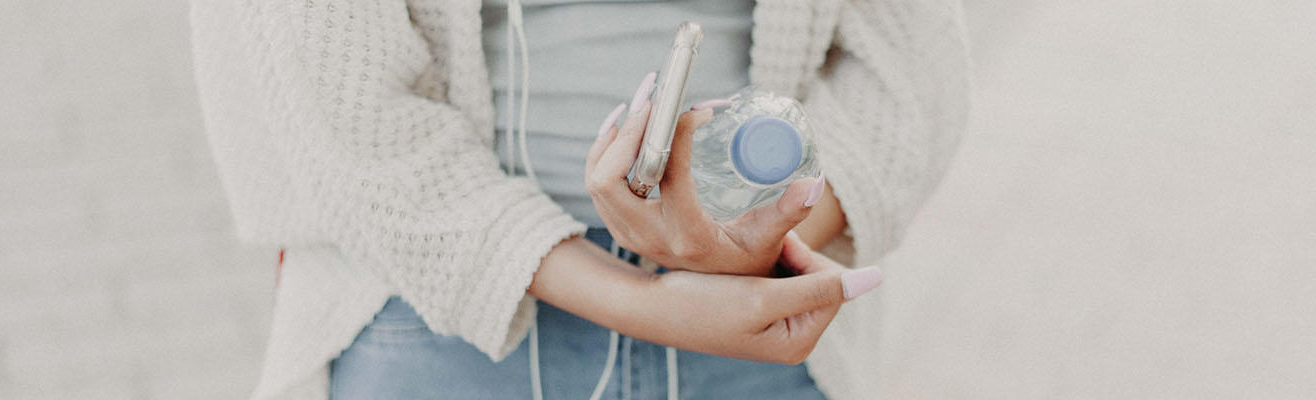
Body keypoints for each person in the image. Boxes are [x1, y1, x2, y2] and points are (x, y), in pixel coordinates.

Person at [190, 0, 967, 398]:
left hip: (755, 331)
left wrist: (767, 233)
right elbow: (338, 108)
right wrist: (647, 301)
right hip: (430, 320)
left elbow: (911, 78)